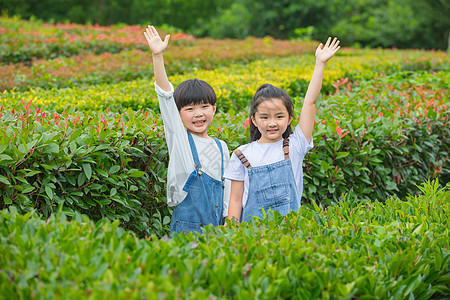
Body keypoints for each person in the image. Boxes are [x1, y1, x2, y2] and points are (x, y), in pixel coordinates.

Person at [224, 37, 340, 223]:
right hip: (251, 234)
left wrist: (320, 63)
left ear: (289, 119)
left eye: (279, 116)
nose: (272, 123)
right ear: (253, 120)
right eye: (264, 117)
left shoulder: (295, 145)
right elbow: (235, 200)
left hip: (290, 232)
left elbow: (310, 102)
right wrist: (230, 232)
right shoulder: (241, 154)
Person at [144, 25, 231, 235]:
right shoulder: (180, 140)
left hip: (218, 230)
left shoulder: (221, 147)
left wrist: (230, 223)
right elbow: (166, 97)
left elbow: (227, 190)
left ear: (214, 108)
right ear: (179, 114)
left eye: (204, 107)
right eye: (189, 109)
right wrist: (158, 56)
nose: (198, 114)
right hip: (186, 230)